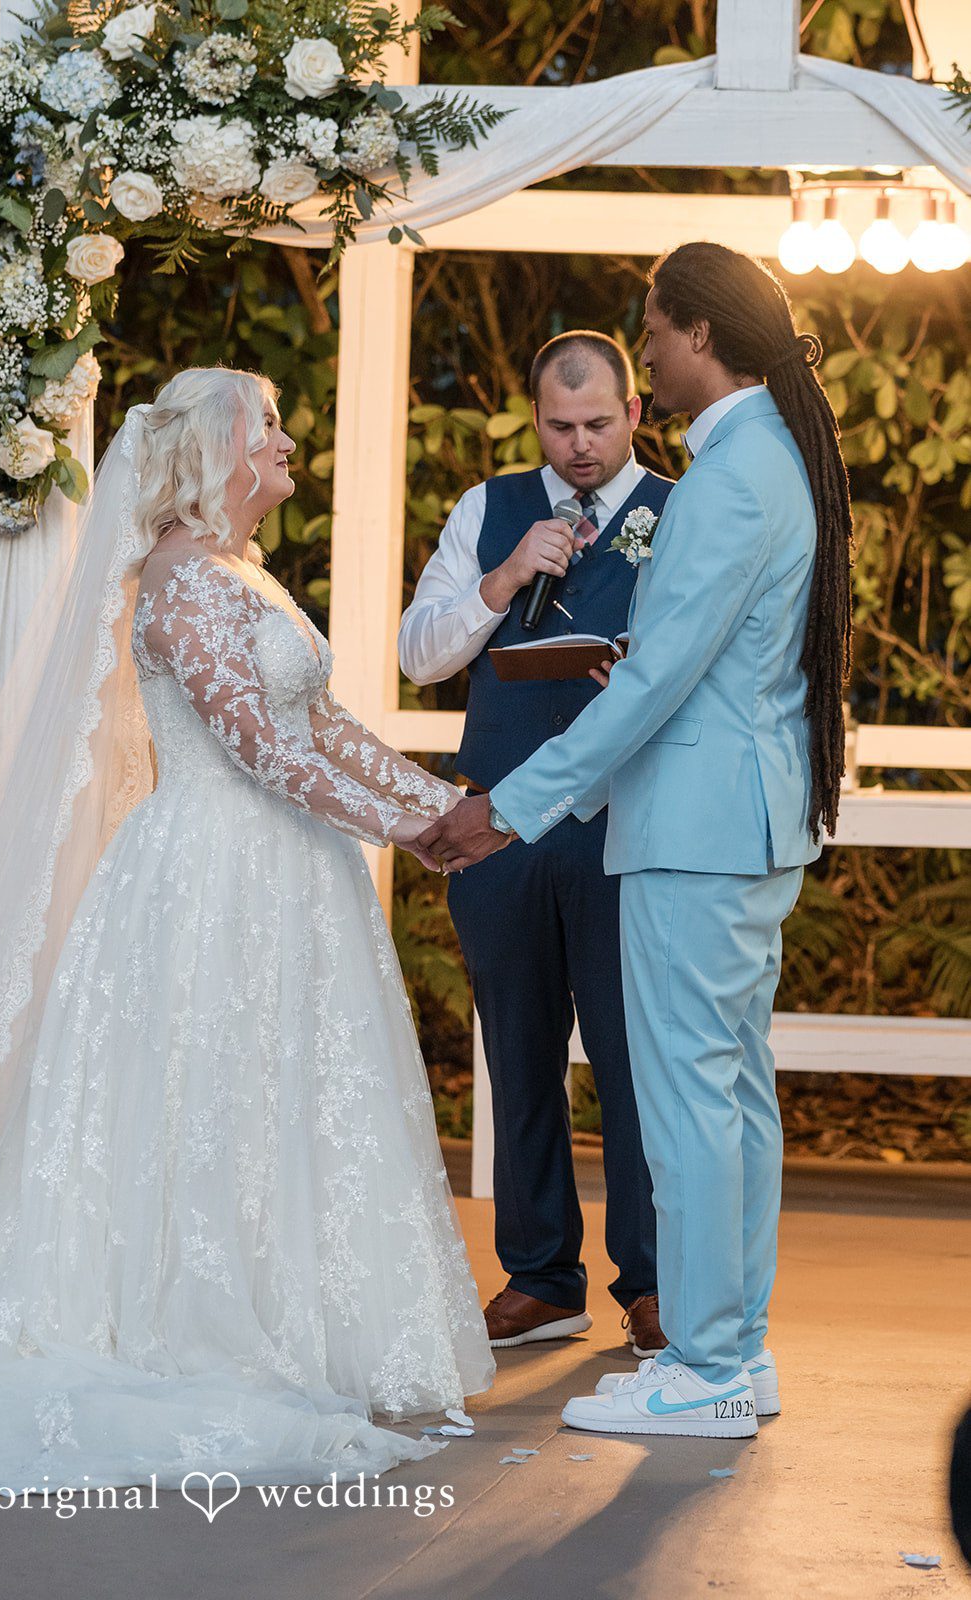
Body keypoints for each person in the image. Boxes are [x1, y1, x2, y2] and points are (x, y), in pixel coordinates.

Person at [0, 367, 494, 1494]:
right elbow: (258, 754)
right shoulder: (176, 582)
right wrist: (410, 833)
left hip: (286, 871)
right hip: (210, 871)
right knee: (207, 1096)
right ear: (216, 449)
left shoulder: (242, 577)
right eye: (265, 427)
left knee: (282, 1097)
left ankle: (303, 1317)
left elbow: (324, 724)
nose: (283, 444)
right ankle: (193, 1317)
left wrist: (441, 804)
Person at [419, 243, 853, 1439]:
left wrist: (505, 803)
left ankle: (707, 1365)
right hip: (733, 816)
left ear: (699, 335)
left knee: (690, 1106)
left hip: (694, 827)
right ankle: (733, 1350)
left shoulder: (724, 475)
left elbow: (660, 681)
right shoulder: (768, 459)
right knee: (730, 1099)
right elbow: (705, 659)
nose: (646, 348)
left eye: (654, 329)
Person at [399, 332, 673, 1356]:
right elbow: (419, 653)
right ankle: (539, 1274)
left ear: (634, 411)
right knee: (517, 1056)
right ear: (533, 419)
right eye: (559, 427)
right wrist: (504, 573)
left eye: (597, 424)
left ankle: (647, 1281)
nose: (578, 445)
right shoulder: (488, 508)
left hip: (622, 824)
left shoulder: (678, 511)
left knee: (629, 1055)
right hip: (499, 826)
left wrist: (640, 670)